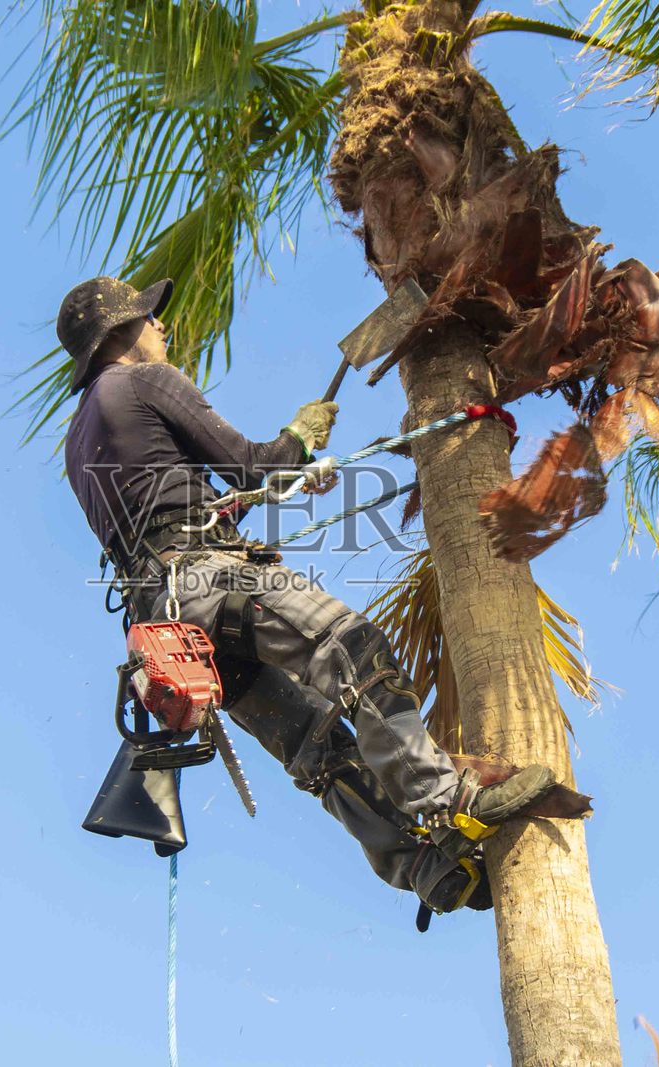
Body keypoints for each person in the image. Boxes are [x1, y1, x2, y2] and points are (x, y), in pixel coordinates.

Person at [58, 275, 588, 920]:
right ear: (120, 333)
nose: (161, 327)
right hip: (211, 582)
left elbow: (172, 508)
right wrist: (300, 438)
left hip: (164, 624)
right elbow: (254, 467)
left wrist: (277, 478)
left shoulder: (77, 439)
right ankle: (446, 800)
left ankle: (421, 863)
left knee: (314, 743)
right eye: (149, 318)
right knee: (353, 648)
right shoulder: (142, 381)